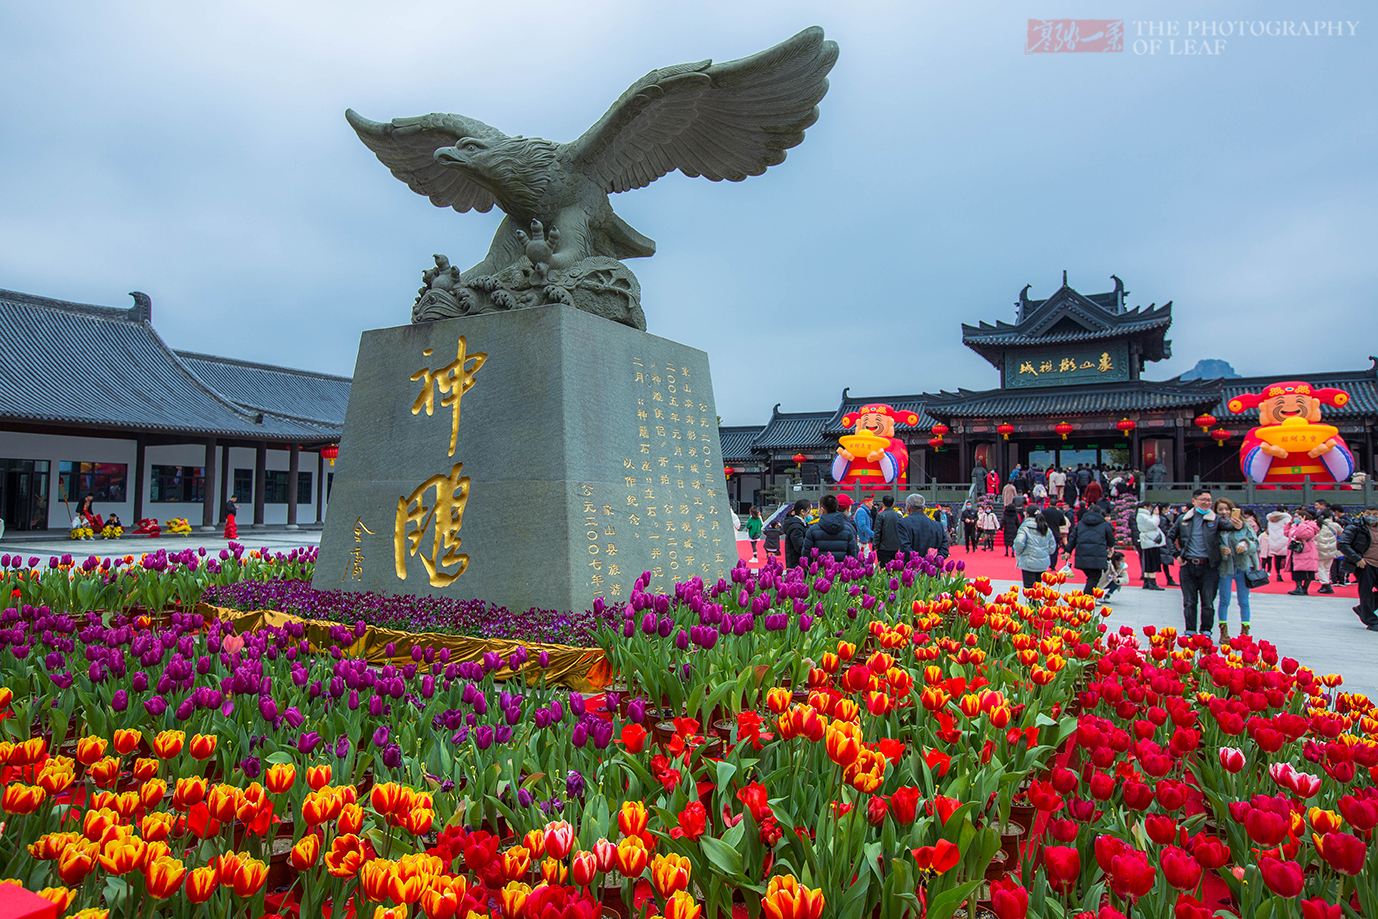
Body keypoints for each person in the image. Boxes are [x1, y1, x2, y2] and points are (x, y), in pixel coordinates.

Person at [1167, 488, 1227, 636]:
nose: (1207, 503)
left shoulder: (1216, 519)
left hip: (1209, 567)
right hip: (1188, 566)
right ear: (1194, 501)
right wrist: (1176, 555)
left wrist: (1238, 523)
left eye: (1209, 501)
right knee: (1189, 602)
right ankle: (1190, 631)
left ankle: (1206, 631)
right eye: (1203, 500)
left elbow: (1230, 527)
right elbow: (1169, 537)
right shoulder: (1183, 519)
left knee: (1207, 603)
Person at [1216, 497, 1258, 641]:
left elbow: (1255, 543)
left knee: (1244, 601)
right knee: (1224, 600)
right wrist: (1221, 549)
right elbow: (1211, 544)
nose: (1224, 512)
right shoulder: (1216, 526)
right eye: (1220, 509)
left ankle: (1245, 632)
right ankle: (1224, 632)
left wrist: (1245, 545)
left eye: (1227, 509)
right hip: (1225, 567)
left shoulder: (1244, 525)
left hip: (1242, 566)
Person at [1337, 505, 1378, 631]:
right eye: (1368, 513)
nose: (1371, 516)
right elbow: (1342, 543)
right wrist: (1357, 559)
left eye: (1375, 514)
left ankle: (1362, 609)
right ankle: (1371, 620)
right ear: (1363, 514)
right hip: (1365, 564)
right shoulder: (1355, 527)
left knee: (1370, 596)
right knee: (1366, 592)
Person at [1066, 501, 1115, 595]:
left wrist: (1068, 550)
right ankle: (1086, 597)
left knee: (1091, 576)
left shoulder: (1081, 523)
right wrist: (1110, 547)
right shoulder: (1105, 524)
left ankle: (1088, 596)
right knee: (1094, 577)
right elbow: (1111, 540)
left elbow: (1073, 538)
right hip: (1098, 554)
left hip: (1082, 553)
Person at [802, 494, 859, 562]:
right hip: (842, 571)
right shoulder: (848, 530)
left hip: (820, 571)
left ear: (822, 510)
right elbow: (853, 556)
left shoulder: (812, 531)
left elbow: (806, 557)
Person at [1013, 506, 1057, 589]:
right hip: (1042, 562)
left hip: (1028, 562)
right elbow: (1052, 545)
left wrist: (1019, 552)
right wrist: (1046, 553)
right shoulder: (1046, 528)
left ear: (1027, 515)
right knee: (1038, 589)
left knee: (1030, 590)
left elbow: (1019, 542)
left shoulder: (1025, 527)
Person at [897, 494, 950, 559]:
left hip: (911, 566)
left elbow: (905, 547)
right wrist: (931, 561)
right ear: (924, 508)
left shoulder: (903, 523)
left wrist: (918, 561)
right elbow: (944, 549)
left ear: (908, 508)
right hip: (932, 566)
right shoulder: (938, 525)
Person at [1283, 508, 1320, 596]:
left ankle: (1304, 588)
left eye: (1297, 516)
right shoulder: (1296, 525)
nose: (1295, 518)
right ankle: (1298, 587)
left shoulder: (1310, 525)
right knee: (1296, 570)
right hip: (1296, 552)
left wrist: (1302, 524)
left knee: (1307, 571)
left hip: (1306, 551)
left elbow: (1303, 535)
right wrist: (1289, 524)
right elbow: (1287, 534)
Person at [1136, 503, 1166, 590]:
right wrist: (1156, 516)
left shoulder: (1141, 515)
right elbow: (1153, 524)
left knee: (1148, 561)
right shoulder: (1144, 516)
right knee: (1152, 562)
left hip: (1148, 540)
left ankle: (1147, 581)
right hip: (1151, 540)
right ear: (1145, 507)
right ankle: (1152, 582)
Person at [1314, 511, 1343, 594]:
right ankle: (1327, 583)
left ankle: (1325, 584)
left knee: (1320, 568)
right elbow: (1341, 533)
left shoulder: (1318, 525)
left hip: (1319, 549)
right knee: (1327, 568)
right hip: (1332, 549)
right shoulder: (1335, 525)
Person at [874, 495, 904, 567]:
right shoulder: (899, 516)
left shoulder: (880, 515)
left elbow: (877, 531)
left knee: (885, 570)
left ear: (882, 504)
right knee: (895, 569)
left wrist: (876, 545)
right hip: (896, 547)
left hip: (883, 547)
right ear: (893, 504)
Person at [1264, 507, 1292, 582]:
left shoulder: (1270, 519)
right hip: (1284, 539)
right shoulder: (1286, 518)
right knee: (1289, 557)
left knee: (1277, 558)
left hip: (1273, 540)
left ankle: (1278, 574)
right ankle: (1292, 573)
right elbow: (1290, 527)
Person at [783, 499, 811, 568]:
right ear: (802, 512)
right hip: (797, 565)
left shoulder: (802, 524)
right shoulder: (796, 527)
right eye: (810, 510)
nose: (812, 512)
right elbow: (800, 546)